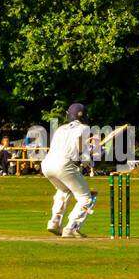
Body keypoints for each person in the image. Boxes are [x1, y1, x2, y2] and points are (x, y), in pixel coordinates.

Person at [41, 102, 100, 238]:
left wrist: (83, 158)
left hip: (47, 164)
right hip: (64, 165)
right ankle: (71, 228)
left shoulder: (61, 128)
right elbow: (81, 150)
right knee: (86, 197)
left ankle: (54, 222)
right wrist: (89, 162)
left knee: (64, 190)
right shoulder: (85, 128)